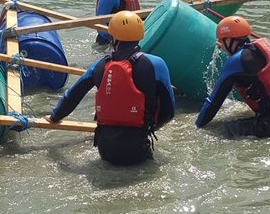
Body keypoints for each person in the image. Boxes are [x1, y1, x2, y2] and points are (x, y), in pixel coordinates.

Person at [48, 10, 175, 165]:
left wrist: (55, 117)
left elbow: (72, 96)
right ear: (141, 34)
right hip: (138, 148)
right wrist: (150, 126)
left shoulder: (99, 65)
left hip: (105, 148)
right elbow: (169, 111)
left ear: (113, 36)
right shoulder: (156, 64)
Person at [195, 15, 270, 139]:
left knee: (225, 129)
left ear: (229, 41)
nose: (222, 47)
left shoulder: (236, 61)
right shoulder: (267, 46)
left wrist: (197, 127)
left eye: (222, 42)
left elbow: (213, 102)